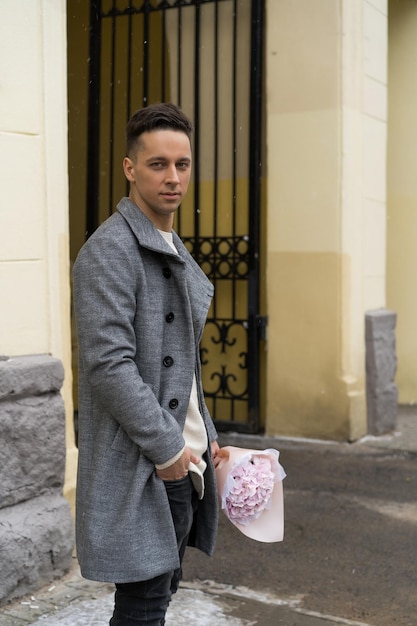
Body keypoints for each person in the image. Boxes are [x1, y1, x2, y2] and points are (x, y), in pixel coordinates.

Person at [72, 102, 220, 626]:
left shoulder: (168, 245)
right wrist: (169, 450)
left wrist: (208, 435)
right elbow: (109, 366)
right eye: (158, 164)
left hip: (180, 458)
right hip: (147, 463)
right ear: (131, 168)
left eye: (182, 164)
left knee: (153, 601)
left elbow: (183, 360)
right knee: (142, 607)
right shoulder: (109, 251)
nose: (173, 177)